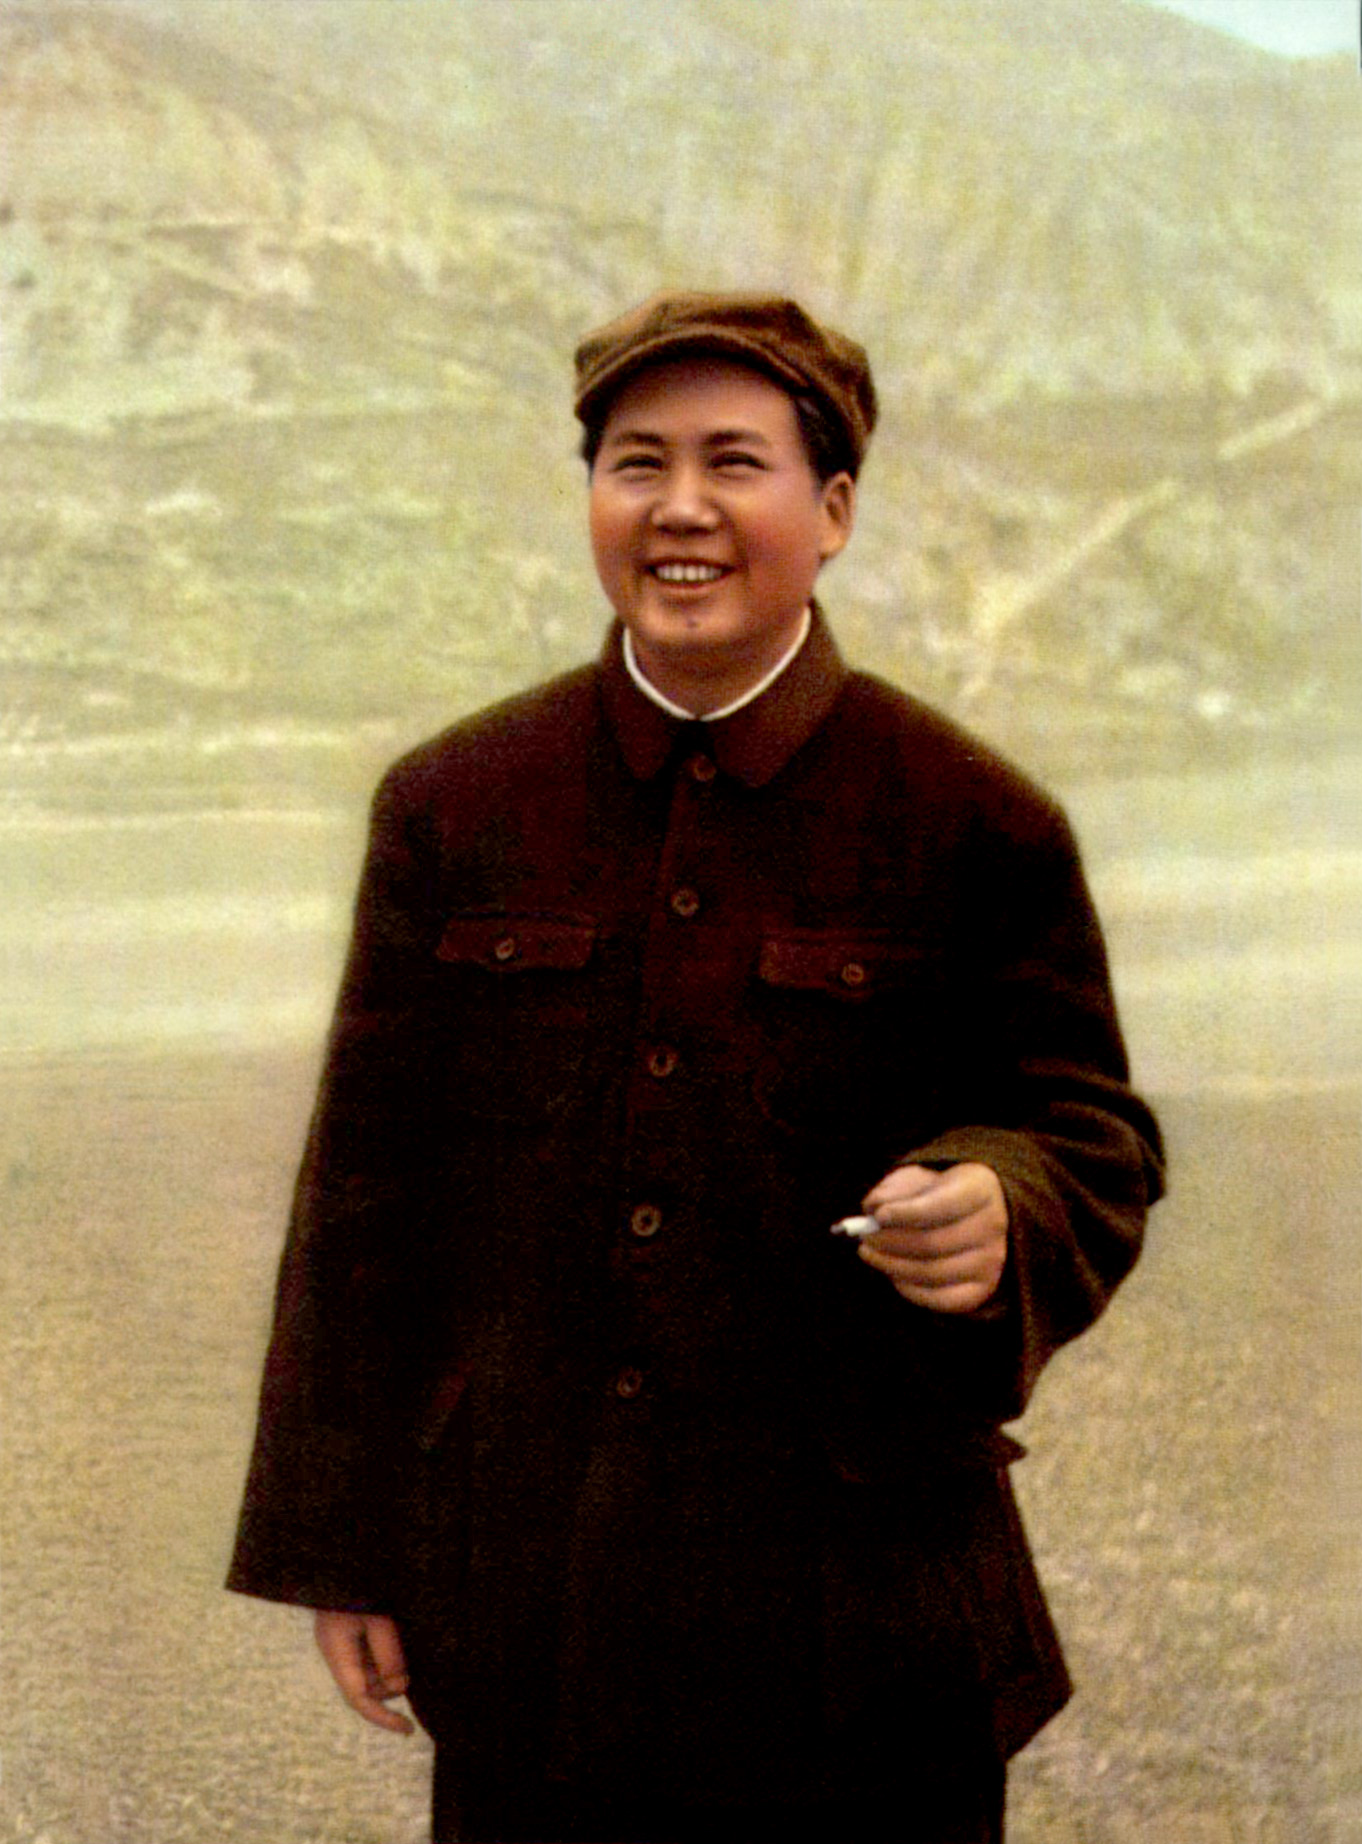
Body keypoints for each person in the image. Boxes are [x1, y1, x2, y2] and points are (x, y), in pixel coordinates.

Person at [228, 290, 1164, 1843]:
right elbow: (363, 1204)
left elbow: (1089, 1133)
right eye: (636, 463)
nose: (679, 507)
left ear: (833, 508)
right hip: (528, 1616)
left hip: (864, 1629)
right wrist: (337, 1547)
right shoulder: (452, 805)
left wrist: (1002, 1203)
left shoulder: (974, 818)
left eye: (735, 462)